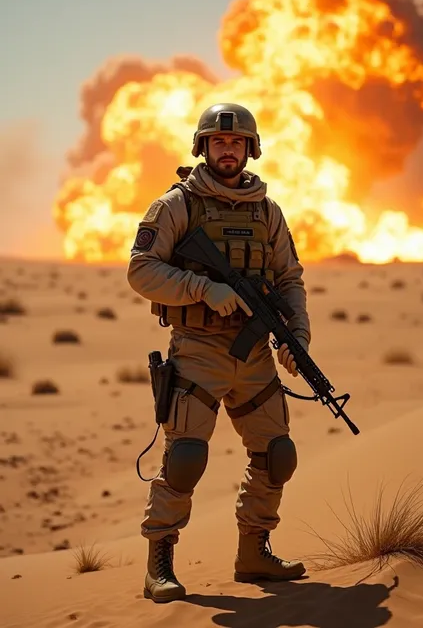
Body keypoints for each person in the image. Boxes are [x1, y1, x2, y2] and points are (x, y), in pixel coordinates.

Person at [127, 103, 311, 603]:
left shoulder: (267, 211)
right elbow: (141, 270)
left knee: (277, 455)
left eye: (236, 143)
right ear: (203, 147)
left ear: (250, 149)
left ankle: (254, 551)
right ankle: (159, 562)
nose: (227, 150)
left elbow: (290, 280)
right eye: (217, 142)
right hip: (199, 349)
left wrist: (297, 338)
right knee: (184, 458)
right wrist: (200, 289)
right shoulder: (176, 206)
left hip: (254, 357)